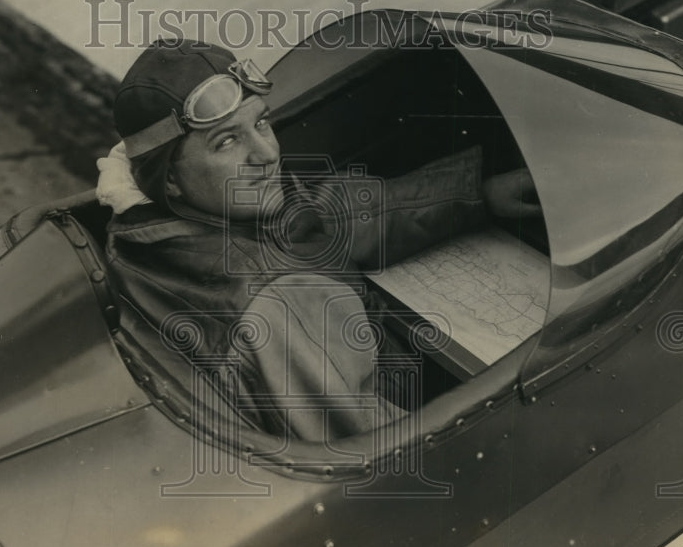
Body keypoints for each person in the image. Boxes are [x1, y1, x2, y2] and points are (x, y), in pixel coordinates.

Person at [99, 39, 540, 442]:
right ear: (170, 178)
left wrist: (473, 192)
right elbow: (375, 453)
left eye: (262, 123)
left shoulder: (151, 225)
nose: (267, 154)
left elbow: (314, 217)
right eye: (227, 141)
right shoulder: (283, 306)